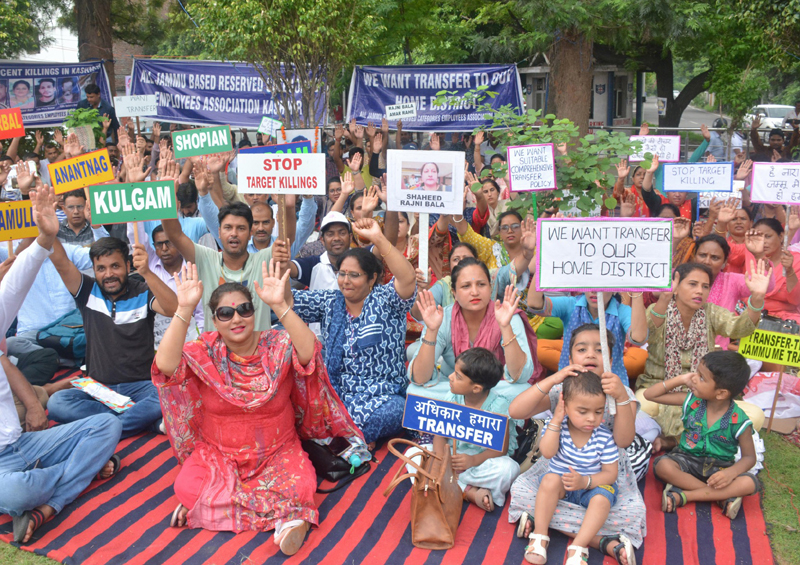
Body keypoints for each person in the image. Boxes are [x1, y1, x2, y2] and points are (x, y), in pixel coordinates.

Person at [152, 265, 367, 555]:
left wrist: (280, 304)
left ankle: (213, 504)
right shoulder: (204, 351)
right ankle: (286, 517)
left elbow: (309, 354)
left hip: (277, 453)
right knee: (186, 487)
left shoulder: (277, 345)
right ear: (215, 320)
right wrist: (185, 307)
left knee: (303, 485)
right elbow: (165, 367)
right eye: (226, 314)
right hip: (220, 456)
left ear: (254, 312)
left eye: (244, 309)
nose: (237, 318)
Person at [0, 185, 123, 545]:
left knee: (105, 426)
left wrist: (44, 239)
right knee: (18, 494)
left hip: (23, 443)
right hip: (6, 469)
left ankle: (50, 501)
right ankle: (69, 482)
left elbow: (15, 286)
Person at [508, 325, 648, 565]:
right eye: (582, 349)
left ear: (611, 359)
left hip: (603, 471)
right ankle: (603, 541)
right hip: (560, 468)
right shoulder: (562, 389)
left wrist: (622, 398)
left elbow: (624, 440)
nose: (591, 354)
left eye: (599, 349)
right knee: (522, 489)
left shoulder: (620, 392)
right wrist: (554, 377)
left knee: (629, 512)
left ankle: (546, 523)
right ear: (570, 358)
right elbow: (516, 410)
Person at [287, 218, 417, 446]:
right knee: (304, 408)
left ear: (372, 278)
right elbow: (289, 301)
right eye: (342, 274)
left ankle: (343, 437)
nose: (345, 281)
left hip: (382, 395)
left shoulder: (386, 300)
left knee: (399, 411)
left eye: (354, 275)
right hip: (338, 393)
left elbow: (407, 279)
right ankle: (348, 437)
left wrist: (378, 238)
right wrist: (278, 266)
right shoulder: (330, 301)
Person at [45, 235, 178, 437]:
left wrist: (147, 273)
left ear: (127, 265)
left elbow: (174, 308)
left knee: (168, 395)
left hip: (141, 387)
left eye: (115, 266)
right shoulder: (87, 291)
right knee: (56, 403)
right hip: (98, 388)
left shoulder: (142, 291)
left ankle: (106, 427)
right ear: (94, 270)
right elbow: (62, 264)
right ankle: (140, 422)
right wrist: (48, 231)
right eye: (101, 268)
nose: (109, 274)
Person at [635, 262, 769, 447]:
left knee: (756, 415)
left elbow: (739, 328)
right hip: (660, 388)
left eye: (705, 286)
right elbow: (646, 330)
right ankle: (703, 436)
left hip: (704, 392)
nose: (700, 291)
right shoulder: (659, 310)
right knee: (641, 403)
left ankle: (673, 441)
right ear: (676, 286)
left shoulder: (712, 313)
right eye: (692, 284)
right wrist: (664, 299)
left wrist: (757, 298)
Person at [523, 371, 629, 565]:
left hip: (591, 487)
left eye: (598, 412)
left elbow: (610, 473)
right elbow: (547, 452)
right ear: (565, 405)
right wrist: (556, 420)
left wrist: (586, 482)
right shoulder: (558, 426)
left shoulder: (604, 437)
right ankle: (540, 536)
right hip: (562, 485)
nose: (591, 418)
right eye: (583, 412)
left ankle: (579, 546)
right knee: (549, 480)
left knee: (603, 499)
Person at [408, 257, 542, 403]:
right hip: (453, 389)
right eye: (466, 286)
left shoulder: (506, 315)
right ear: (454, 293)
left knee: (522, 391)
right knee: (415, 391)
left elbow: (520, 376)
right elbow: (420, 378)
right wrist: (432, 331)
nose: (475, 292)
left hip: (494, 389)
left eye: (481, 284)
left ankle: (463, 409)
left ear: (490, 287)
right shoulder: (442, 318)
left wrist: (505, 327)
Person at [644, 351, 759, 520]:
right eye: (696, 373)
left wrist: (730, 473)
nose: (694, 379)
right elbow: (650, 395)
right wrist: (681, 379)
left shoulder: (739, 421)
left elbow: (749, 458)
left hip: (719, 469)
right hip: (687, 460)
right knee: (663, 465)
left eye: (702, 377)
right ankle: (720, 497)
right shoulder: (692, 401)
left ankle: (685, 495)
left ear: (720, 393)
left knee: (750, 482)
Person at [405, 348, 520, 512]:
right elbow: (440, 435)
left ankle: (448, 484)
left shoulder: (498, 407)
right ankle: (468, 492)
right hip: (451, 455)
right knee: (412, 456)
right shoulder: (453, 397)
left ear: (476, 388)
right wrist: (441, 461)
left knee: (509, 470)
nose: (450, 377)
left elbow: (500, 450)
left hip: (481, 460)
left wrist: (473, 461)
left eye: (458, 376)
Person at [164, 199, 284, 332]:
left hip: (258, 351)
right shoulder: (206, 258)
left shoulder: (264, 260)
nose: (234, 233)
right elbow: (175, 235)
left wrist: (289, 205)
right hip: (215, 352)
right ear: (219, 232)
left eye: (241, 228)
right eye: (228, 228)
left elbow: (286, 239)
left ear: (250, 233)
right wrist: (168, 199)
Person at [528, 284, 647, 386]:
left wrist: (637, 289)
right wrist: (541, 262)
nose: (594, 291)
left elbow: (639, 338)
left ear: (615, 288)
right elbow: (534, 304)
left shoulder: (622, 311)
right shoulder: (571, 305)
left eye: (602, 286)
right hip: (571, 385)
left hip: (611, 388)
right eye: (589, 284)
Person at [692, 233, 772, 349]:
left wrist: (759, 256)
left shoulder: (731, 281)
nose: (707, 261)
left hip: (716, 355)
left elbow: (764, 285)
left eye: (715, 258)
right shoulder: (681, 277)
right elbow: (658, 290)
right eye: (703, 255)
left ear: (724, 262)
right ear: (694, 257)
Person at [129, 223, 204, 346]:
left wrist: (201, 343)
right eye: (159, 244)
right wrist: (133, 215)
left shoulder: (193, 270)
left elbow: (201, 313)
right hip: (159, 343)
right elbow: (136, 237)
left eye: (169, 243)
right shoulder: (149, 265)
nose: (164, 248)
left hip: (191, 342)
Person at [750, 218, 800, 322]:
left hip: (785, 320)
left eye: (768, 236)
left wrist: (790, 271)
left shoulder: (795, 260)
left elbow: (795, 300)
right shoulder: (749, 258)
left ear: (781, 236)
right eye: (758, 237)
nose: (763, 242)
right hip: (752, 314)